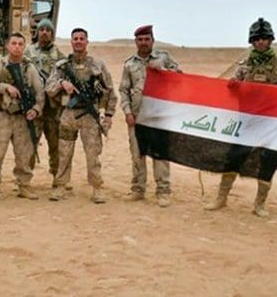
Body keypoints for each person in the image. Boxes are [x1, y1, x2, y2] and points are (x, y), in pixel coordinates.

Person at [205, 17, 277, 217]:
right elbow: (232, 86)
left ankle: (259, 205)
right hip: (246, 122)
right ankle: (221, 198)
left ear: (270, 40)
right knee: (233, 160)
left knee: (267, 163)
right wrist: (233, 85)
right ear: (252, 41)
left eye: (264, 38)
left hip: (270, 123)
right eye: (257, 38)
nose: (261, 42)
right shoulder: (245, 64)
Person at [45, 27, 117, 203]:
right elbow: (49, 88)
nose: (78, 41)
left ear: (87, 42)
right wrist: (62, 83)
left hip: (89, 117)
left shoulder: (97, 66)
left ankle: (97, 188)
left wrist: (108, 115)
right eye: (75, 39)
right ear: (71, 42)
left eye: (81, 38)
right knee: (64, 153)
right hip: (68, 114)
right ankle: (61, 186)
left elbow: (109, 91)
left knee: (93, 154)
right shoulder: (62, 66)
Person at [119, 25, 181, 207]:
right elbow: (123, 90)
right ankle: (138, 189)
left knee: (160, 155)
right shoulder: (129, 64)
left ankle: (163, 191)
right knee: (137, 155)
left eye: (147, 39)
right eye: (140, 39)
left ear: (152, 41)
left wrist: (164, 70)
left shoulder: (164, 58)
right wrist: (128, 112)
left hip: (159, 117)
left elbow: (180, 78)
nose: (144, 43)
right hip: (137, 117)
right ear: (135, 42)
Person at [0, 32, 44, 201]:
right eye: (14, 43)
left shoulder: (29, 68)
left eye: (20, 44)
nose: (17, 47)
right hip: (3, 115)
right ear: (8, 46)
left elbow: (40, 92)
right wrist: (4, 87)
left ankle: (24, 186)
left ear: (24, 47)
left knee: (24, 154)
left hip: (22, 118)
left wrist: (36, 110)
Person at [24, 18, 65, 184]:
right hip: (35, 107)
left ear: (52, 33)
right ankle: (25, 179)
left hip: (53, 108)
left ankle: (57, 177)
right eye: (42, 30)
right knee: (30, 144)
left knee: (55, 145)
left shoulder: (59, 55)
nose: (45, 32)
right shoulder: (28, 52)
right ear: (37, 32)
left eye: (48, 30)